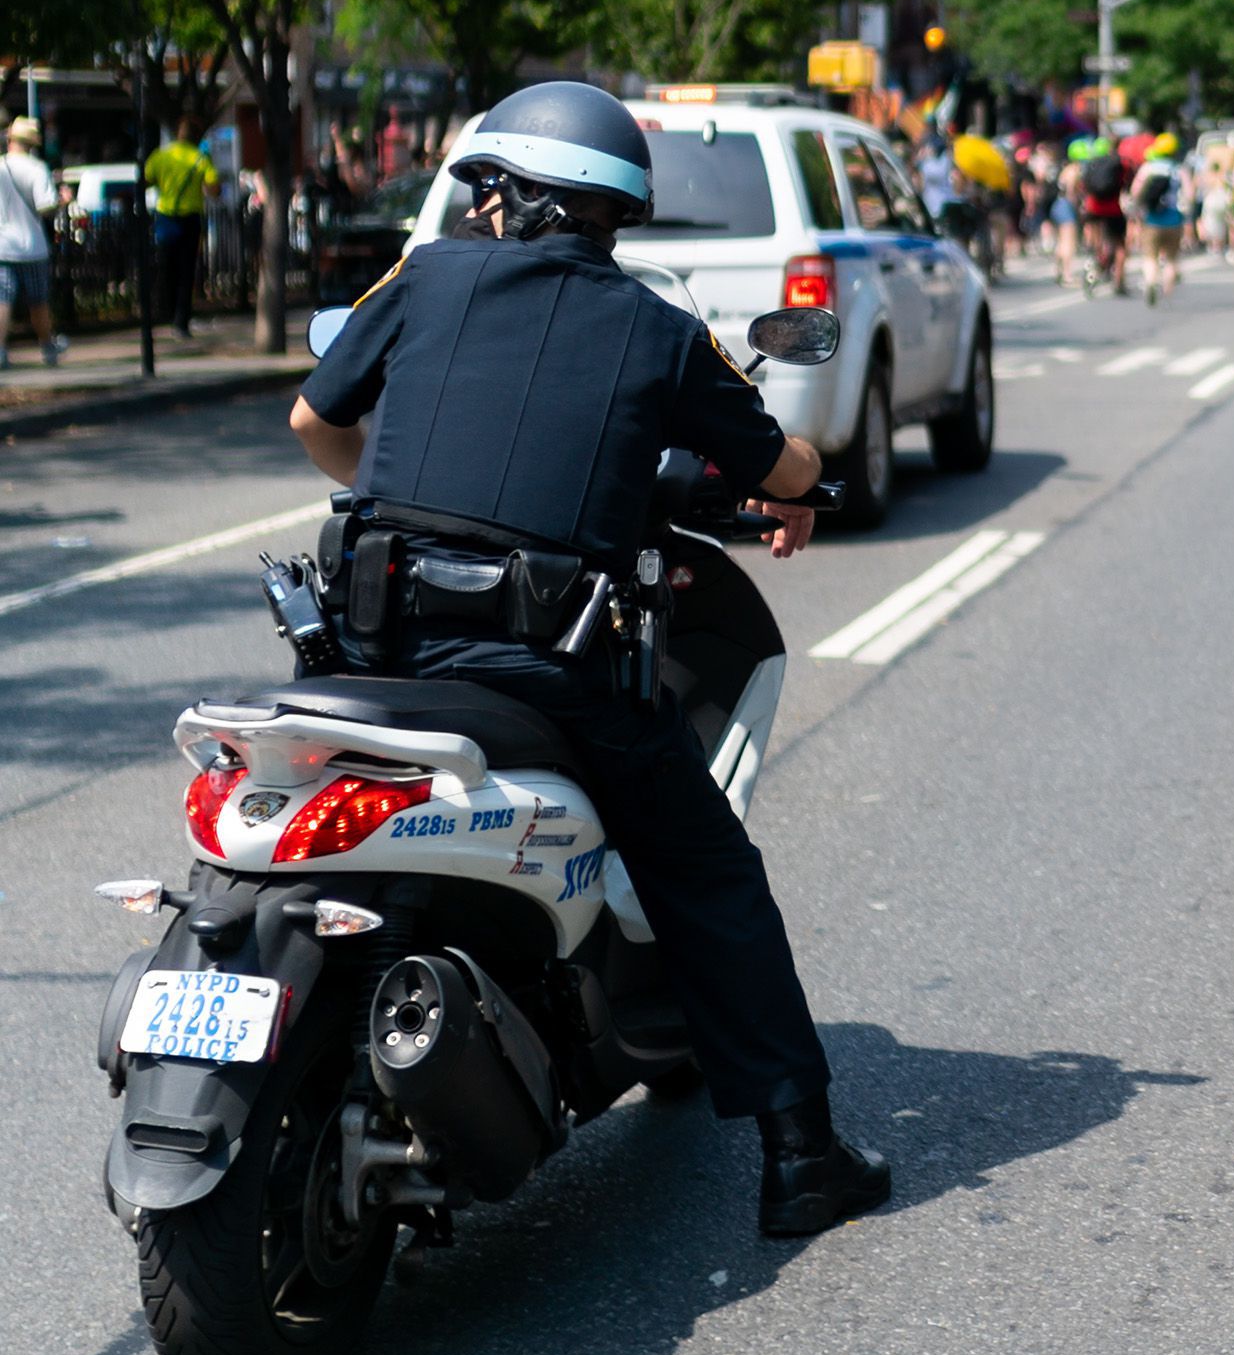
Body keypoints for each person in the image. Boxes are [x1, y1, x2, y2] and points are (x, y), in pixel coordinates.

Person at [285, 82, 891, 1233]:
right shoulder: (656, 330)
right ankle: (802, 1152)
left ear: (507, 199)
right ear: (612, 215)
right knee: (708, 868)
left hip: (374, 643)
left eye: (490, 195)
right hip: (541, 672)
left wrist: (399, 493)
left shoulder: (422, 281)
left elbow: (317, 422)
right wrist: (798, 477)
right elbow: (781, 461)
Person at [0, 118, 65, 367]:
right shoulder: (37, 168)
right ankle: (48, 348)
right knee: (38, 301)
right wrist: (62, 200)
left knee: (2, 300)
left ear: (10, 139)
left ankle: (1, 351)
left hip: (3, 246)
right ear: (33, 143)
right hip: (33, 247)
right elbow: (45, 206)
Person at [147, 115, 219, 338]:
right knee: (186, 271)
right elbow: (214, 189)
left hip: (165, 215)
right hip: (190, 219)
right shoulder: (199, 158)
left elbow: (147, 178)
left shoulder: (161, 155)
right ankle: (180, 320)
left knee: (166, 265)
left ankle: (163, 310)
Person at [1130, 132, 1188, 304]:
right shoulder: (1179, 169)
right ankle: (1167, 291)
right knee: (1171, 258)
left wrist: (1138, 208)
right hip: (1174, 219)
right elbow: (1190, 193)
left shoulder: (1148, 168)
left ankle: (1150, 282)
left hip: (1151, 219)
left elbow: (1136, 191)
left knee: (1150, 256)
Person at [1075, 134, 1130, 292]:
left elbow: (1082, 184)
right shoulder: (1120, 164)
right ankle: (1119, 280)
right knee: (1119, 245)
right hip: (1113, 208)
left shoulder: (1090, 164)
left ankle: (1097, 259)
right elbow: (1126, 183)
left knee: (1096, 238)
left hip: (1093, 207)